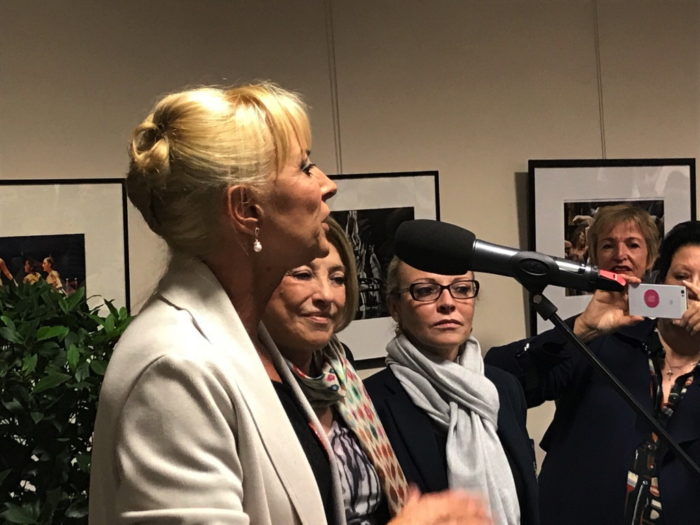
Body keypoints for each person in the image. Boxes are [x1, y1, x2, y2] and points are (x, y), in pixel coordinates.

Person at [89, 83, 343, 524]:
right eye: (305, 167)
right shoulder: (175, 367)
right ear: (246, 209)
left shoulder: (254, 341)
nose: (327, 185)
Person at [262, 217, 492, 525]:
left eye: (338, 278)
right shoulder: (247, 383)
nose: (326, 295)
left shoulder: (340, 373)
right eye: (303, 274)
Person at [486, 221, 700, 524]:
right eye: (681, 276)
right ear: (661, 280)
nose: (693, 290)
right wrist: (581, 329)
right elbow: (496, 379)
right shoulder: (604, 339)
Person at [365, 256, 540, 525]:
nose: (448, 303)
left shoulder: (503, 388)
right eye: (426, 290)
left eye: (461, 289)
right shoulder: (370, 403)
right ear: (395, 307)